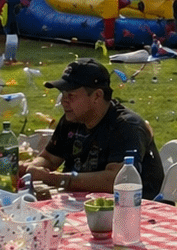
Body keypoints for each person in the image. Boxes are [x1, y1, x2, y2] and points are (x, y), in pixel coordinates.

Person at [27, 58, 163, 197]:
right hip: (84, 204)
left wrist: (56, 179)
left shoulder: (126, 126)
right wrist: (31, 168)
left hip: (135, 209)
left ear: (97, 96)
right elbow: (49, 158)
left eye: (71, 96)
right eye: (63, 95)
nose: (63, 101)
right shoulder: (72, 119)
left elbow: (116, 180)